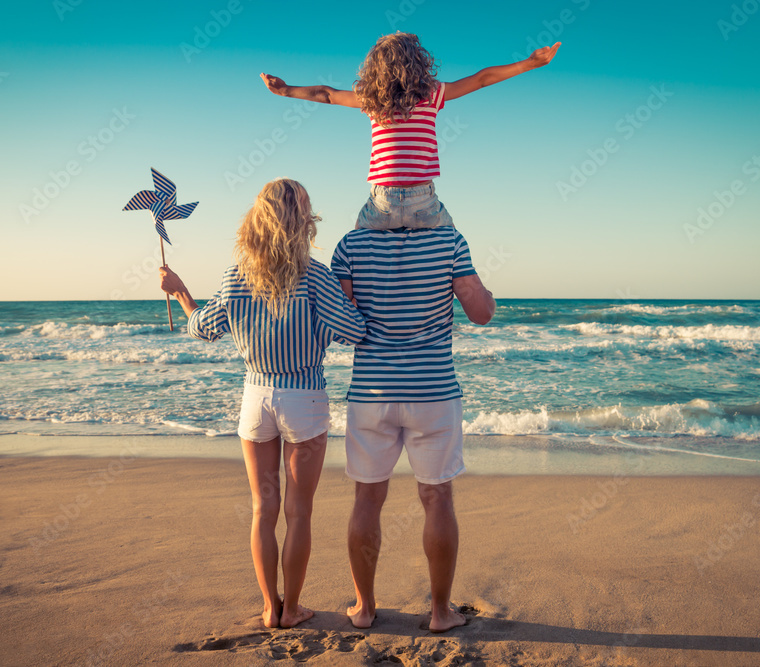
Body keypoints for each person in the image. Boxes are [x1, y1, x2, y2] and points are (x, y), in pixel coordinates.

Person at [159, 178, 365, 629]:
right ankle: (293, 608)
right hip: (304, 397)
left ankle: (271, 608)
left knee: (262, 510)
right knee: (299, 512)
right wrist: (350, 296)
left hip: (255, 397)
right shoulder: (314, 276)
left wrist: (179, 292)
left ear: (257, 219)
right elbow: (355, 330)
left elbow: (202, 327)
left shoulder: (238, 275)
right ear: (302, 221)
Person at [331, 222, 495, 632]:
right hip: (433, 392)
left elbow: (341, 325)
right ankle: (441, 613)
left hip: (371, 394)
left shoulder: (350, 245)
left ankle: (365, 609)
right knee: (437, 498)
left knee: (367, 500)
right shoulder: (450, 240)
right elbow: (482, 313)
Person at [261, 33, 560, 231]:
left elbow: (326, 94)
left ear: (374, 68)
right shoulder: (432, 93)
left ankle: (348, 315)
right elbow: (482, 79)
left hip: (382, 203)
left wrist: (286, 91)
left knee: (352, 255)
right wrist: (530, 64)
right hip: (424, 203)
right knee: (454, 249)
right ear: (418, 62)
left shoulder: (371, 99)